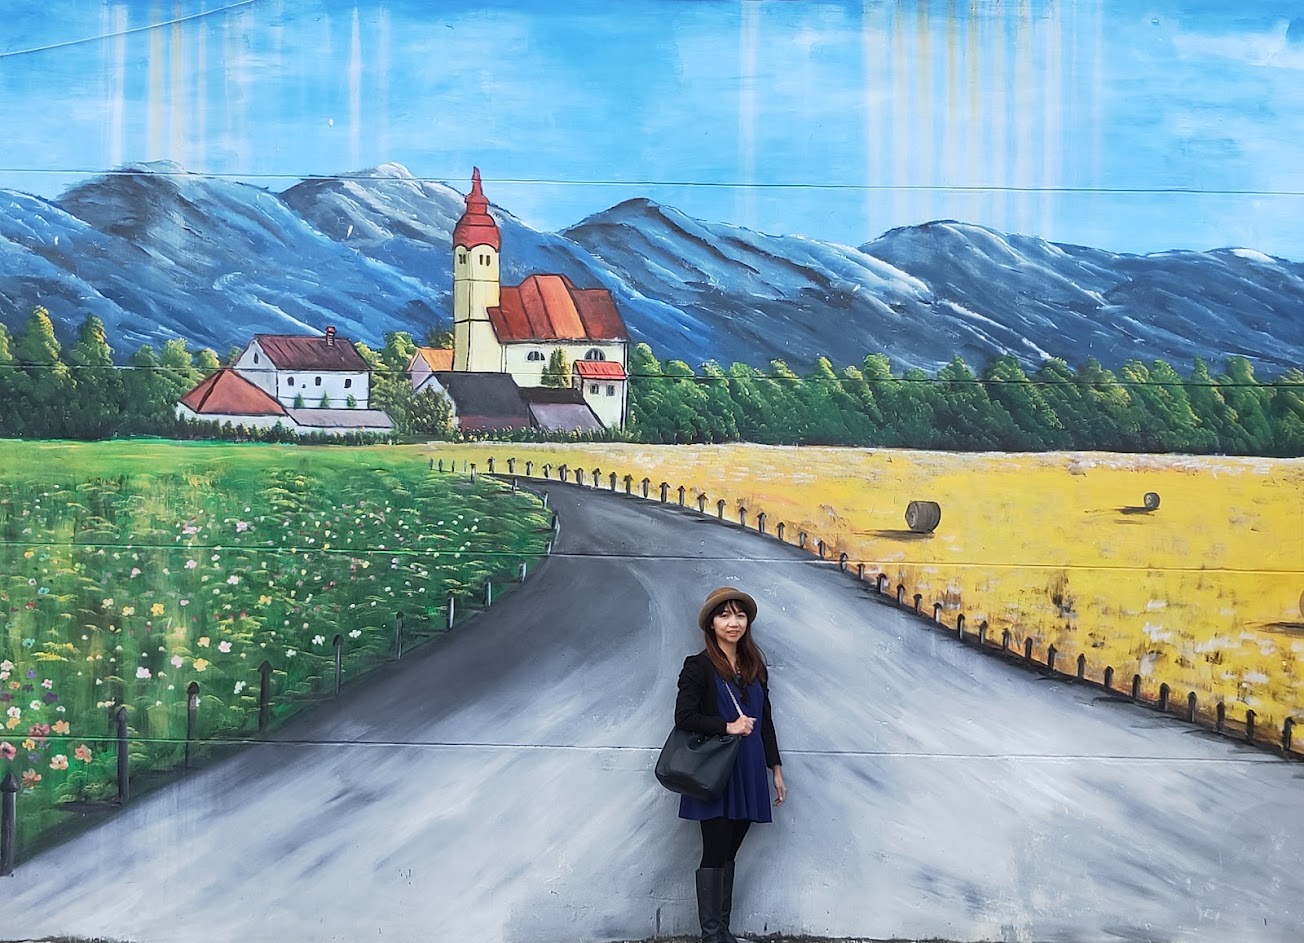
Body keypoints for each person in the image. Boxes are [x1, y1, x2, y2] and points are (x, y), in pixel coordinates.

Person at [674, 586, 786, 943]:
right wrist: (728, 726)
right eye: (724, 615)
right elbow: (684, 717)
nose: (733, 622)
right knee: (715, 849)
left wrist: (775, 769)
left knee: (730, 851)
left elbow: (765, 721)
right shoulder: (699, 666)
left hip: (749, 769)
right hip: (715, 772)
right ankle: (712, 936)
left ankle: (721, 931)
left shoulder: (754, 667)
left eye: (739, 615)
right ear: (711, 624)